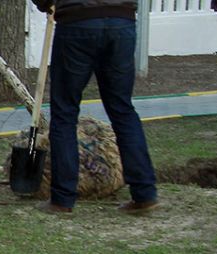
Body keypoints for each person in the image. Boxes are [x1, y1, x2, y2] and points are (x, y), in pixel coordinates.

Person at [33, 0, 159, 215]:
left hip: (77, 22)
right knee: (122, 109)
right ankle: (144, 194)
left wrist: (45, 3)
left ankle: (62, 199)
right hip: (122, 21)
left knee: (65, 111)